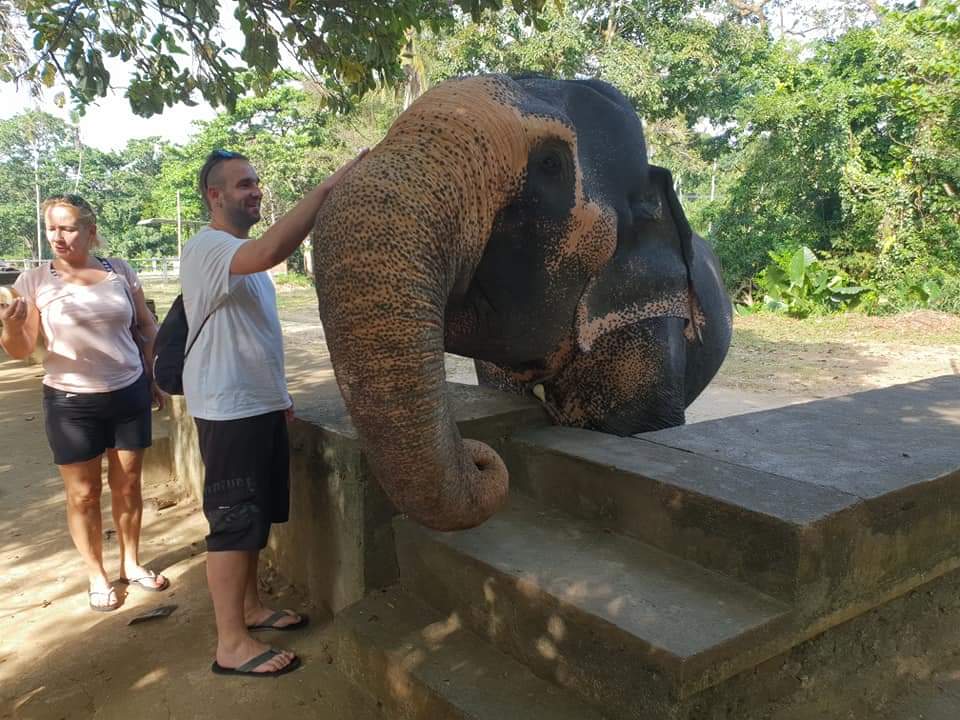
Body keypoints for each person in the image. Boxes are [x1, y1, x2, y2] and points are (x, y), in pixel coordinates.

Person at [181, 148, 366, 678]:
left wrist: (280, 395)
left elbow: (253, 337)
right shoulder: (209, 247)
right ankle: (231, 644)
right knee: (234, 525)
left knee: (254, 521)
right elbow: (270, 249)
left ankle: (252, 607)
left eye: (256, 182)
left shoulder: (242, 258)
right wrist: (327, 190)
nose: (254, 191)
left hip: (256, 406)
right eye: (242, 185)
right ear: (214, 196)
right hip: (228, 411)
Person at [0, 194, 168, 612]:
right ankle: (97, 574)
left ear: (91, 232)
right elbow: (19, 350)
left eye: (68, 227)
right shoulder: (34, 281)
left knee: (128, 485)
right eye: (51, 228)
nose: (58, 236)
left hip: (127, 392)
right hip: (71, 401)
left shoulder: (119, 271)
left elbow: (145, 326)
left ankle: (131, 561)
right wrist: (10, 324)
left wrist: (152, 377)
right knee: (84, 494)